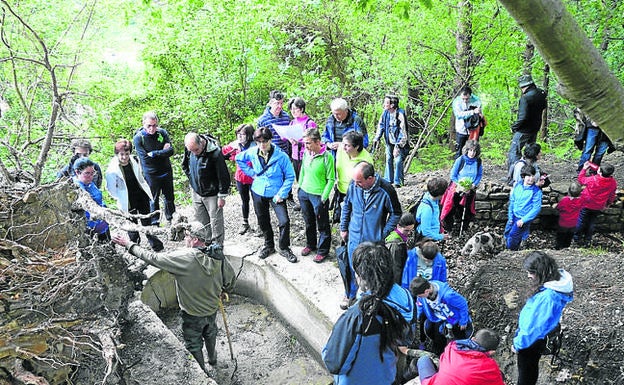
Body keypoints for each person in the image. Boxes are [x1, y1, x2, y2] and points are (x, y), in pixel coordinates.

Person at [111, 222, 236, 375]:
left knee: (193, 344)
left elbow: (153, 258)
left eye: (187, 236)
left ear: (195, 240)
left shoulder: (184, 258)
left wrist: (128, 244)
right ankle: (212, 358)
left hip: (191, 314)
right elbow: (230, 280)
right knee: (211, 333)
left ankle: (202, 373)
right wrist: (223, 291)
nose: (185, 239)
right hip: (211, 309)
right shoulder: (218, 256)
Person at [322, 242, 413, 385]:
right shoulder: (405, 298)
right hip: (386, 377)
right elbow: (406, 338)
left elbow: (334, 363)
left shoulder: (357, 317)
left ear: (362, 278)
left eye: (357, 273)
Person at [340, 161, 402, 309]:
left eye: (359, 182)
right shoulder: (353, 185)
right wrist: (343, 227)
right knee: (351, 267)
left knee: (370, 271)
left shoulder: (386, 190)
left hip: (373, 241)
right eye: (355, 181)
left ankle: (369, 298)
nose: (356, 185)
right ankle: (349, 294)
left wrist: (383, 234)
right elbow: (347, 206)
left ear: (370, 178)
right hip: (353, 237)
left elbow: (396, 213)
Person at [236, 127, 298, 263]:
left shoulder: (281, 156)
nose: (262, 145)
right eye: (259, 142)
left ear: (270, 140)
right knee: (263, 220)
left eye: (265, 141)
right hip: (258, 190)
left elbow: (290, 176)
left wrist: (282, 193)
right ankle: (269, 245)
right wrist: (251, 173)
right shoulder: (252, 152)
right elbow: (238, 158)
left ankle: (284, 247)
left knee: (284, 221)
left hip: (277, 192)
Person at [512, 251, 573, 385]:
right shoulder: (555, 283)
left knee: (526, 372)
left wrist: (518, 344)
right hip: (537, 338)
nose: (529, 276)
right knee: (531, 368)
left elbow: (533, 328)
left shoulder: (547, 297)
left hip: (530, 341)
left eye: (531, 272)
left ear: (541, 272)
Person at [105, 139, 164, 251]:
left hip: (140, 195)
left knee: (147, 221)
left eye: (127, 154)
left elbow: (140, 177)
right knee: (131, 225)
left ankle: (156, 245)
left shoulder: (134, 160)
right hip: (127, 199)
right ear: (117, 154)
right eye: (121, 154)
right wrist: (119, 197)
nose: (124, 157)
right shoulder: (112, 170)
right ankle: (135, 248)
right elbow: (111, 188)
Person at [183, 132, 231, 247]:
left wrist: (222, 195)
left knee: (216, 221)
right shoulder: (190, 149)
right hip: (196, 191)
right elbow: (185, 165)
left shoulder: (215, 153)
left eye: (196, 150)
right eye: (191, 151)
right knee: (200, 220)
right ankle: (205, 243)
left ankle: (217, 246)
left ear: (202, 143)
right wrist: (192, 181)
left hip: (212, 193)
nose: (194, 153)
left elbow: (223, 176)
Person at [414, 328, 505, 385]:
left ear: (473, 339)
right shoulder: (490, 367)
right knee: (500, 375)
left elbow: (442, 360)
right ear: (492, 352)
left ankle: (407, 374)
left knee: (423, 360)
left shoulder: (453, 346)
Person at [297, 128, 335, 263]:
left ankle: (323, 250)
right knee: (308, 222)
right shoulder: (307, 154)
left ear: (317, 142)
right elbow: (302, 171)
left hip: (318, 195)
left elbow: (331, 179)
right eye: (305, 143)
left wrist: (324, 197)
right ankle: (310, 244)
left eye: (308, 143)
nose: (306, 146)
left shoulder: (327, 157)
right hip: (304, 193)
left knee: (323, 224)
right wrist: (300, 187)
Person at [410, 276, 473, 355]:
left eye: (419, 296)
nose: (419, 297)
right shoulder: (423, 292)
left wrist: (463, 321)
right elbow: (420, 305)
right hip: (437, 318)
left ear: (426, 291)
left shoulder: (448, 296)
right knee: (437, 339)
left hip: (454, 319)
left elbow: (463, 304)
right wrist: (416, 316)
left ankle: (457, 355)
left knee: (458, 342)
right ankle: (439, 355)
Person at [133, 111, 176, 225]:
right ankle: (155, 222)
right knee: (153, 198)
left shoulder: (162, 133)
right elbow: (145, 158)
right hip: (151, 173)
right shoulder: (139, 138)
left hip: (166, 170)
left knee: (169, 197)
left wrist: (154, 153)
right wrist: (163, 151)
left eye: (154, 125)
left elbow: (171, 151)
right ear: (143, 124)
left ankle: (171, 220)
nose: (152, 129)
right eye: (149, 126)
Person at [506, 74, 547, 179]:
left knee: (514, 152)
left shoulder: (525, 98)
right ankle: (531, 173)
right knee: (531, 152)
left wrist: (514, 127)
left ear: (524, 86)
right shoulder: (541, 93)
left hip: (524, 130)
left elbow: (522, 117)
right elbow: (543, 107)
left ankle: (513, 177)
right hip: (535, 127)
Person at [440, 140, 483, 234]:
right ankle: (449, 228)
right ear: (467, 150)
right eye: (470, 150)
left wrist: (474, 184)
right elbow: (453, 175)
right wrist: (460, 185)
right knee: (452, 207)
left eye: (474, 151)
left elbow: (479, 175)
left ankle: (463, 228)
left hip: (470, 188)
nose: (472, 153)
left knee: (466, 209)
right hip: (457, 188)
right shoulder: (461, 160)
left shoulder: (478, 162)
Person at [331, 131, 373, 223]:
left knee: (354, 220)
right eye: (343, 144)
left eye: (347, 145)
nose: (344, 147)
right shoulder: (341, 150)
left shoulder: (366, 160)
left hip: (357, 193)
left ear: (357, 146)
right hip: (341, 190)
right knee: (343, 219)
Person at [222, 124, 256, 235]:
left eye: (242, 134)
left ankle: (261, 224)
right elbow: (222, 152)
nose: (240, 137)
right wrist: (232, 154)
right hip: (240, 178)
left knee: (258, 202)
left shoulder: (255, 146)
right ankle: (245, 222)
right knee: (244, 201)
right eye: (238, 134)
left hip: (254, 178)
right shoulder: (236, 145)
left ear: (249, 135)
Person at [573, 162, 617, 246]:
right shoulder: (613, 183)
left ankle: (577, 238)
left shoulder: (592, 179)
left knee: (581, 220)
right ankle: (587, 239)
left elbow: (581, 179)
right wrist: (608, 203)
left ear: (599, 172)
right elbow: (612, 195)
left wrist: (584, 168)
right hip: (598, 206)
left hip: (586, 204)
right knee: (591, 222)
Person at [372, 94, 409, 187]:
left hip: (399, 141)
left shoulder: (400, 114)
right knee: (388, 159)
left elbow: (403, 131)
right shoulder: (385, 113)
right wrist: (377, 138)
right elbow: (380, 125)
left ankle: (398, 181)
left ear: (392, 105)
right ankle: (388, 180)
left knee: (398, 160)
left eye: (386, 103)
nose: (384, 104)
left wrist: (398, 145)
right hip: (389, 141)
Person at [505, 164, 542, 251]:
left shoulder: (536, 191)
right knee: (507, 233)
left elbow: (536, 208)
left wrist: (524, 220)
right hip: (513, 215)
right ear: (523, 177)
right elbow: (512, 201)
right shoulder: (518, 186)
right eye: (528, 176)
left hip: (522, 218)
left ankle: (511, 252)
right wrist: (510, 216)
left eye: (533, 176)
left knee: (513, 236)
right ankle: (509, 249)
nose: (531, 178)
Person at [73, 157, 110, 241]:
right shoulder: (76, 188)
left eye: (93, 173)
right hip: (90, 228)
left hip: (103, 223)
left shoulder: (90, 183)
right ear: (77, 172)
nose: (91, 176)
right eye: (87, 173)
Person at [288, 97, 318, 181]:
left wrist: (299, 143)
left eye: (295, 109)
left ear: (301, 109)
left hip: (307, 156)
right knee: (299, 180)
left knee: (308, 180)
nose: (292, 111)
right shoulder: (292, 122)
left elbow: (315, 142)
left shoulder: (310, 123)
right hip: (295, 157)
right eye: (291, 109)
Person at [451, 86, 482, 159]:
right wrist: (472, 112)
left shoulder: (476, 100)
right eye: (463, 99)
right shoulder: (456, 102)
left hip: (473, 130)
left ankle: (473, 168)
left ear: (470, 96)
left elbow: (479, 113)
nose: (465, 101)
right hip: (461, 130)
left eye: (467, 99)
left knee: (473, 150)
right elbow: (458, 115)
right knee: (459, 151)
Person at [257, 90, 291, 154]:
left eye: (281, 103)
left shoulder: (286, 117)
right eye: (277, 103)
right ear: (270, 103)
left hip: (285, 154)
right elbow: (259, 140)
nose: (280, 106)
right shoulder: (262, 120)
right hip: (270, 154)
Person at [415, 177, 449, 242]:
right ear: (440, 194)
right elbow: (426, 232)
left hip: (434, 235)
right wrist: (441, 237)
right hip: (426, 241)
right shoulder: (427, 209)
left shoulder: (434, 200)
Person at [385, 213, 415, 284]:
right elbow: (395, 268)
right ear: (398, 226)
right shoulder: (395, 244)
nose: (409, 233)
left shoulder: (399, 238)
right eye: (406, 230)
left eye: (411, 230)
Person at [554, 182, 583, 250]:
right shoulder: (581, 201)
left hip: (563, 224)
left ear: (569, 191)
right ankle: (566, 247)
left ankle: (558, 248)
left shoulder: (564, 200)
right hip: (573, 224)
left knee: (560, 237)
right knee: (569, 236)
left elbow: (558, 208)